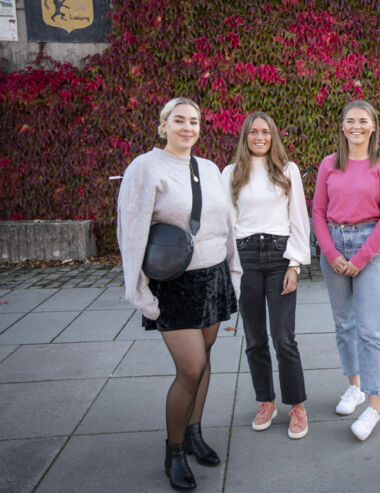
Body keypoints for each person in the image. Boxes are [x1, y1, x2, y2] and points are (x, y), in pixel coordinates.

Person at [117, 97, 241, 490]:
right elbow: (132, 230)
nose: (188, 127)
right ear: (163, 125)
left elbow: (227, 225)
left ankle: (194, 433)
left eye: (195, 121)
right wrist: (138, 291)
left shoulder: (207, 168)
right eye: (179, 121)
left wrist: (232, 274)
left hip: (213, 277)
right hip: (175, 285)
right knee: (189, 369)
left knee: (203, 363)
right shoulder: (145, 167)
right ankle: (173, 451)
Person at [312, 100, 380, 441]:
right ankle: (354, 387)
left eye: (363, 121)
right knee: (344, 324)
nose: (356, 126)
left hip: (370, 248)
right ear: (342, 126)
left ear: (374, 126)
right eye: (350, 120)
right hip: (334, 246)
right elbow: (318, 212)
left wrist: (360, 258)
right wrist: (331, 252)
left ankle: (373, 407)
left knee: (370, 330)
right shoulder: (329, 164)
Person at [221, 112, 311, 439]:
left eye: (266, 132)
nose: (260, 137)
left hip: (278, 257)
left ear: (273, 136)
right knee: (255, 339)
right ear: (245, 136)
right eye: (254, 132)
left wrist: (295, 264)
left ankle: (297, 406)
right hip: (245, 259)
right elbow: (227, 226)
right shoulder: (231, 174)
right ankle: (266, 401)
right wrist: (231, 271)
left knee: (284, 338)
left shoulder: (288, 171)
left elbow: (299, 219)